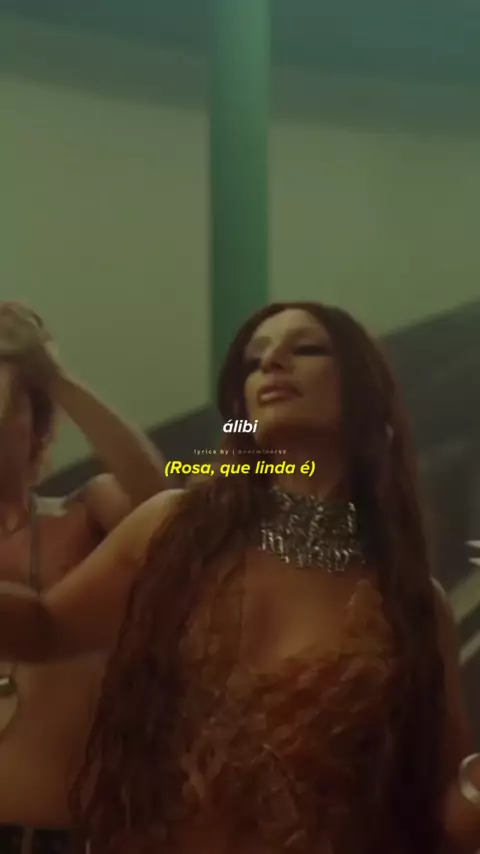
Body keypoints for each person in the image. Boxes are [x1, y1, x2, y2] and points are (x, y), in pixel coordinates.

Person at [0, 300, 478, 854]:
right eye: (254, 361)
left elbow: (439, 813)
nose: (271, 363)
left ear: (365, 397)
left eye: (306, 348)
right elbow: (44, 628)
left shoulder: (413, 607)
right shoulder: (179, 529)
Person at [0, 303, 167, 853]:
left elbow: (156, 500)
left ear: (38, 426)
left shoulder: (83, 515)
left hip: (67, 833)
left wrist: (51, 373)